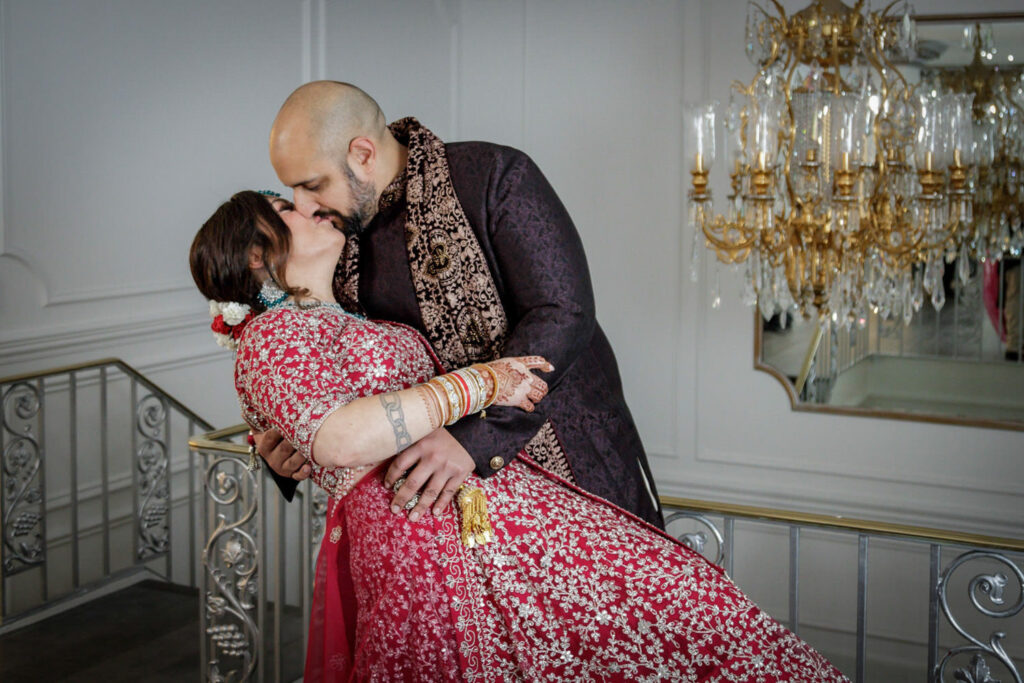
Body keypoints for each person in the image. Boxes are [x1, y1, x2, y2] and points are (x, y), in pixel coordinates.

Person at [190, 190, 849, 682]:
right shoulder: (274, 336)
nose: (312, 205)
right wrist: (483, 382)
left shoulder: (344, 315)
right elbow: (336, 439)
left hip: (484, 515)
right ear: (258, 254)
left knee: (692, 603)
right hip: (424, 545)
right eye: (288, 207)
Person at [257, 80, 663, 529]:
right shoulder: (333, 238)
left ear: (363, 155)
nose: (304, 206)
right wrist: (296, 439)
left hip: (570, 459)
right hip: (433, 515)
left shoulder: (493, 175)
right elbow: (321, 353)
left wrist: (474, 438)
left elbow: (562, 312)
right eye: (292, 191)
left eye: (313, 185)